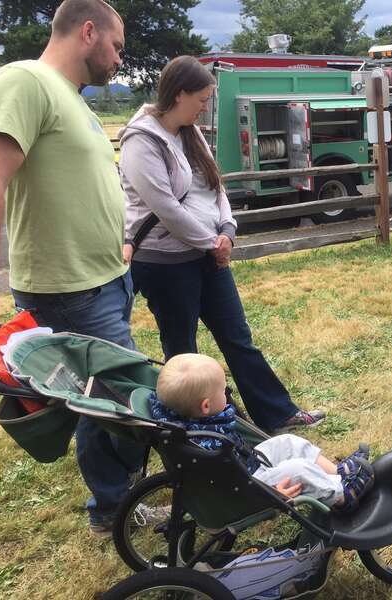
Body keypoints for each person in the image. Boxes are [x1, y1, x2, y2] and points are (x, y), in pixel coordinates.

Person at [0, 0, 145, 536]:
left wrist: (116, 245)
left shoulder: (71, 99)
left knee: (106, 401)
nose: (119, 58)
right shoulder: (23, 81)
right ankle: (112, 508)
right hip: (68, 288)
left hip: (104, 279)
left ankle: (116, 502)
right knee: (107, 404)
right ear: (88, 31)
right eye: (116, 46)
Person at [119, 56, 323, 433]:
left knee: (237, 336)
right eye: (201, 99)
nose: (205, 107)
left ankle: (276, 414)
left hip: (209, 253)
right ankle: (199, 426)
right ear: (179, 95)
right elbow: (163, 206)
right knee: (182, 351)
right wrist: (211, 242)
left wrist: (227, 229)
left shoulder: (189, 131)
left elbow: (217, 186)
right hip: (165, 263)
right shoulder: (141, 141)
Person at [150, 354, 374, 512]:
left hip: (246, 465)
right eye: (223, 389)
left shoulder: (178, 418)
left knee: (287, 442)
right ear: (206, 406)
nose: (226, 393)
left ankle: (337, 472)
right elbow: (227, 484)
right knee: (298, 470)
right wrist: (273, 492)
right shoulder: (207, 444)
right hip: (248, 488)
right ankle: (343, 495)